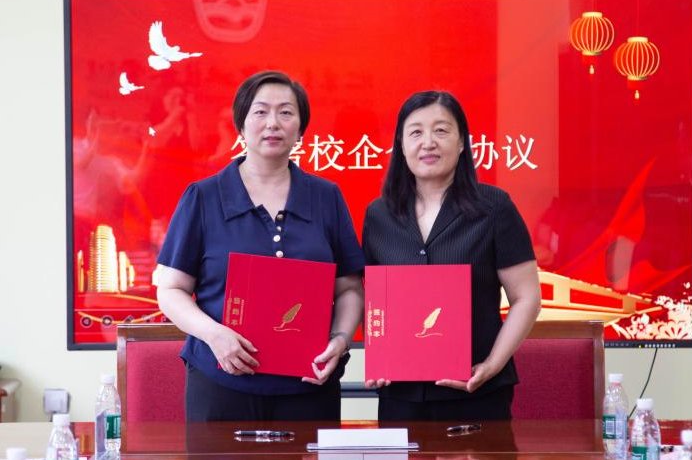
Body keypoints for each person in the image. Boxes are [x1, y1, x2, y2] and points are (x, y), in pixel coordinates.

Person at [156, 71, 365, 421]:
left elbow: (350, 289)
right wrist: (214, 335)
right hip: (221, 383)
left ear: (300, 129)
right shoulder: (203, 197)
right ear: (241, 125)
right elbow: (171, 290)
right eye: (261, 111)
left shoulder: (326, 197)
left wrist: (341, 340)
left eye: (286, 112)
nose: (273, 123)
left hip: (309, 387)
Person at [362, 90, 541, 420]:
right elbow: (374, 298)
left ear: (461, 143)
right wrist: (379, 358)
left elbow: (526, 297)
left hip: (476, 391)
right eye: (416, 132)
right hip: (401, 395)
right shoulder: (379, 215)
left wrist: (492, 364)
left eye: (441, 130)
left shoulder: (495, 208)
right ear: (401, 144)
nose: (428, 142)